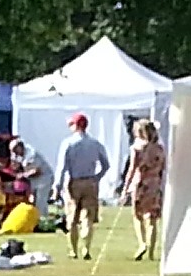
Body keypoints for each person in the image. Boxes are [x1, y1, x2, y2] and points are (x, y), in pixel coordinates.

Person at [54, 112, 112, 259]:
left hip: (74, 181)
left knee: (72, 218)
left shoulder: (68, 143)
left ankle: (73, 250)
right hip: (90, 182)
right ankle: (86, 248)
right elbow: (106, 164)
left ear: (75, 126)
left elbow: (62, 167)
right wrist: (97, 177)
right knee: (88, 217)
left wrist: (57, 186)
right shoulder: (95, 143)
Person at [118, 116, 167, 261]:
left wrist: (125, 189)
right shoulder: (159, 149)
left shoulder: (137, 148)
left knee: (138, 216)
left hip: (140, 183)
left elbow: (132, 169)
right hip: (155, 183)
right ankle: (151, 252)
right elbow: (163, 168)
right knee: (151, 218)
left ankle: (142, 243)